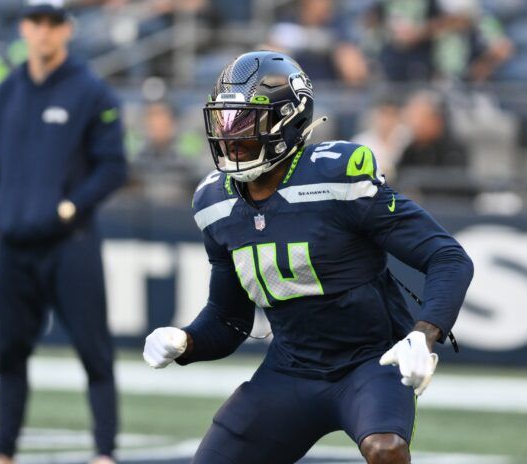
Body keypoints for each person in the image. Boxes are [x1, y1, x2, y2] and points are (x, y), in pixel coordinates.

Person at [142, 51, 473, 463]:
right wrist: (187, 341)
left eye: (245, 125)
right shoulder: (214, 202)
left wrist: (422, 336)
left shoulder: (337, 177)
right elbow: (229, 319)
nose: (229, 138)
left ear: (288, 121)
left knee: (384, 449)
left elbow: (448, 256)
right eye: (224, 123)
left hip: (371, 361)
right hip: (290, 369)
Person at [0, 1, 127, 463]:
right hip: (14, 243)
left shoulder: (91, 92)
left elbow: (113, 167)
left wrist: (69, 209)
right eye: (36, 22)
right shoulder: (4, 94)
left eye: (52, 23)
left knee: (93, 352)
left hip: (69, 244)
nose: (43, 32)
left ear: (67, 29)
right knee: (9, 354)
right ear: (23, 27)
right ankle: (3, 452)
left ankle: (104, 453)